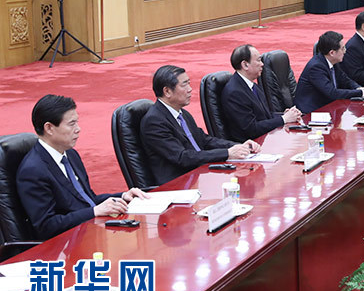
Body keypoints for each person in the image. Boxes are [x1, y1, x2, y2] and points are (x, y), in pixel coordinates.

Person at [16, 95, 149, 240]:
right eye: (71, 124)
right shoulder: (33, 170)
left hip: (88, 231)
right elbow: (47, 226)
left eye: (77, 122)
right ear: (49, 128)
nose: (78, 129)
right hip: (66, 243)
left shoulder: (71, 154)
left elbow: (87, 199)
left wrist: (122, 196)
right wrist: (94, 211)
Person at [142, 65, 257, 186]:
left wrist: (238, 146)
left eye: (189, 83)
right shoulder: (154, 121)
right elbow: (182, 157)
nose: (190, 89)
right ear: (167, 91)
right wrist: (227, 153)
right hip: (178, 184)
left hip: (199, 174)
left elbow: (205, 141)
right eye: (184, 85)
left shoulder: (182, 113)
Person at [221, 44, 302, 141]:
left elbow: (265, 116)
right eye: (258, 60)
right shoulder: (234, 92)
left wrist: (286, 115)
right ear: (245, 65)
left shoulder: (253, 86)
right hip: (250, 145)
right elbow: (251, 129)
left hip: (265, 138)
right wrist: (283, 119)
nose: (262, 64)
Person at [294, 31, 364, 113]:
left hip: (328, 107)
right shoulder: (316, 68)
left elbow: (345, 80)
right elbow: (332, 93)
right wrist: (361, 93)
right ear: (332, 53)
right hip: (311, 113)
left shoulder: (333, 61)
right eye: (342, 48)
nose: (345, 51)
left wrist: (359, 88)